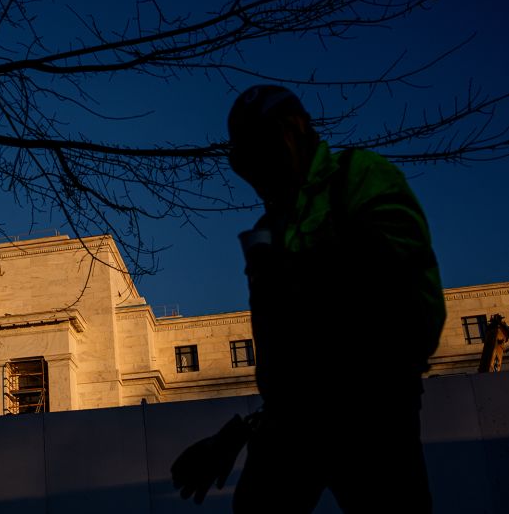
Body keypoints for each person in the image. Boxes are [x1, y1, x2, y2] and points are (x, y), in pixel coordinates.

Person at [172, 85, 446, 511]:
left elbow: (408, 299)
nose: (257, 178)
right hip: (295, 422)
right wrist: (244, 432)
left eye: (260, 155)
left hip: (373, 411)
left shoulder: (358, 177)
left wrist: (302, 274)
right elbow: (292, 351)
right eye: (244, 164)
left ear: (291, 132)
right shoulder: (272, 224)